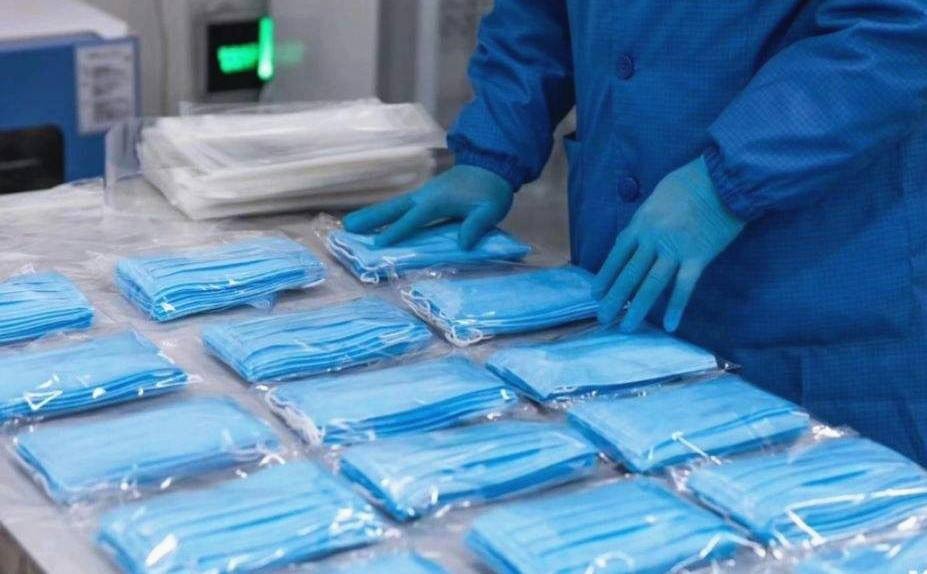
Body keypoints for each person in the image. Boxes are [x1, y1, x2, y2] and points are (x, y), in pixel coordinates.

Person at [345, 2, 927, 463]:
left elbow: (893, 26)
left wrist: (728, 178)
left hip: (811, 288)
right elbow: (539, 11)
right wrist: (493, 149)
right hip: (622, 276)